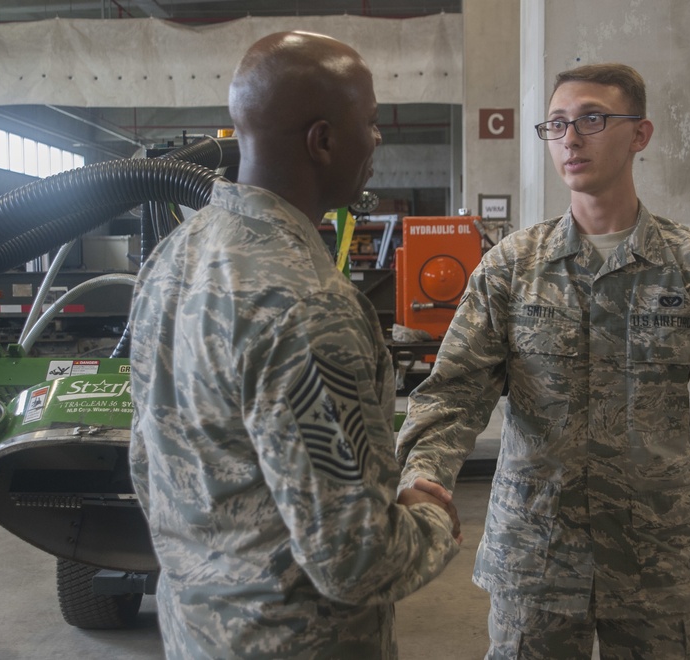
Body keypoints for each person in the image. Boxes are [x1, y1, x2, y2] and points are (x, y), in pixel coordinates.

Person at [397, 63, 690, 659]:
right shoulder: (513, 266)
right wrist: (423, 471)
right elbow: (455, 390)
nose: (571, 138)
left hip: (654, 566)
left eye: (592, 119)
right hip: (536, 559)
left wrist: (667, 492)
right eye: (557, 124)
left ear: (639, 134)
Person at [129, 31, 461, 659]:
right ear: (324, 141)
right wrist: (431, 516)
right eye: (369, 122)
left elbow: (152, 464)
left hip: (197, 630)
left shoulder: (176, 255)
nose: (378, 139)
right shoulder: (307, 304)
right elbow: (354, 559)